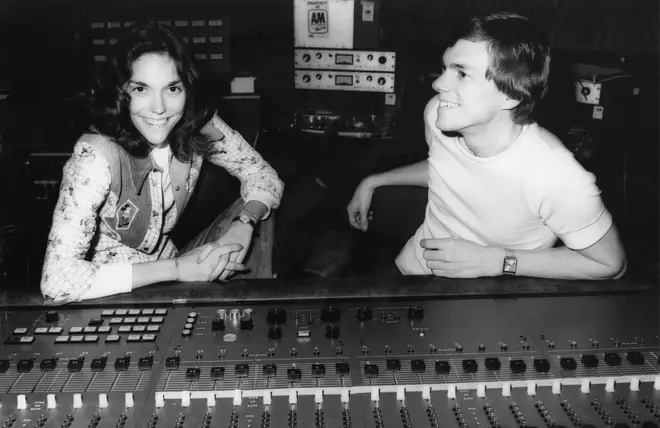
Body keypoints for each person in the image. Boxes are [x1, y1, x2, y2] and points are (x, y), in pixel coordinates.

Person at [347, 12, 626, 280]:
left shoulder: (555, 175)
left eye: (462, 74)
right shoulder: (438, 115)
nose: (438, 83)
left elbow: (611, 264)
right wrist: (374, 181)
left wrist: (496, 261)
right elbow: (445, 170)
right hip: (412, 273)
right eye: (445, 68)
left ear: (510, 94)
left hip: (490, 295)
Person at [41, 23, 284, 304]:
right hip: (108, 289)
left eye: (172, 88)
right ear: (122, 91)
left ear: (186, 89)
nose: (159, 108)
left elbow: (262, 173)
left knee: (259, 210)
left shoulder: (196, 125)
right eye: (141, 89)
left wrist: (245, 222)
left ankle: (243, 322)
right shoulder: (95, 156)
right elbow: (57, 280)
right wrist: (179, 269)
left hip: (174, 268)